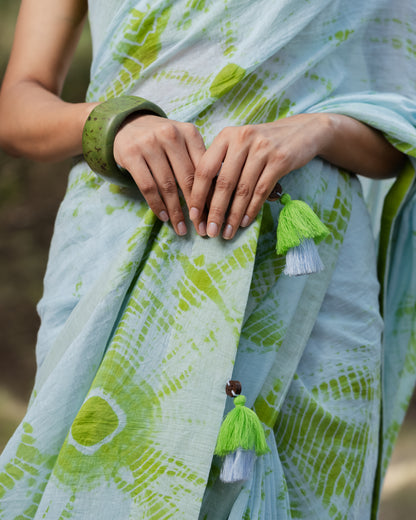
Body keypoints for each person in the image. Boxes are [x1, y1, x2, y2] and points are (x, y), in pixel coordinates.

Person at [0, 0, 415, 518]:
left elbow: (402, 120)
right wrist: (113, 124)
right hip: (120, 247)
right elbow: (17, 106)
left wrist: (323, 128)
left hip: (310, 265)